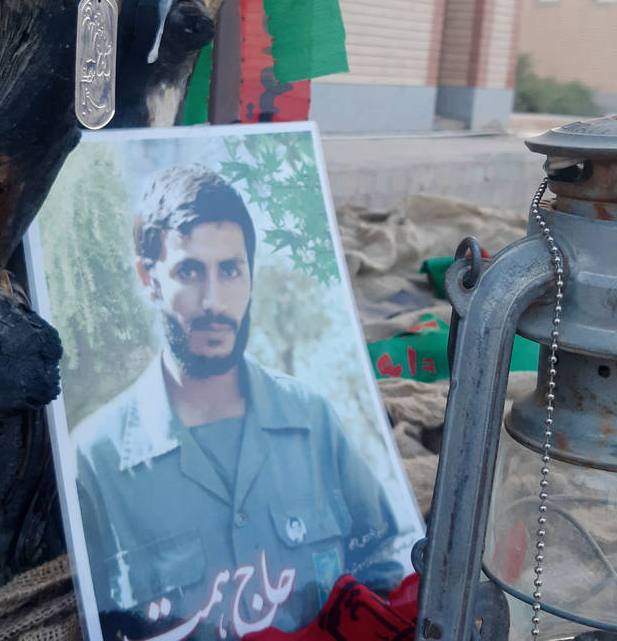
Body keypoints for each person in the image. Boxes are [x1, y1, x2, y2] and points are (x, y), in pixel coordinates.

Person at [72, 165, 403, 641]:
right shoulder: (93, 461)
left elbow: (380, 567)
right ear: (149, 278)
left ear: (251, 273)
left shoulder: (312, 419)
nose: (214, 301)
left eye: (230, 270)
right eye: (190, 271)